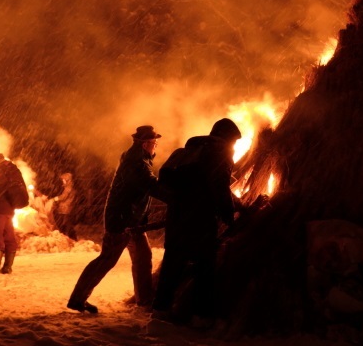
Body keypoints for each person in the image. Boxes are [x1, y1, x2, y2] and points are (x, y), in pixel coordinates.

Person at [68, 125, 170, 314]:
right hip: (122, 220)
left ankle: (144, 300)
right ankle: (77, 299)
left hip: (131, 221)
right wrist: (177, 197)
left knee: (143, 256)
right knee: (106, 260)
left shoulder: (138, 158)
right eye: (154, 143)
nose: (156, 146)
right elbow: (151, 185)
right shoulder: (136, 162)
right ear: (145, 144)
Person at [152, 118, 242, 326]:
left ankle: (160, 310)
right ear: (227, 137)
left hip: (178, 217)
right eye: (234, 141)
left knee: (173, 263)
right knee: (205, 268)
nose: (234, 146)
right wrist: (229, 216)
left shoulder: (189, 151)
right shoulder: (219, 153)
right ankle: (200, 316)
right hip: (201, 220)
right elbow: (220, 188)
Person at [52, 172, 79, 241]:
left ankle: (72, 239)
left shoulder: (68, 188)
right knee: (65, 224)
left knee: (66, 225)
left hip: (66, 209)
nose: (62, 181)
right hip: (66, 209)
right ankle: (70, 238)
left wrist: (56, 198)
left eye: (63, 180)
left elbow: (64, 197)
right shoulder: (69, 187)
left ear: (67, 180)